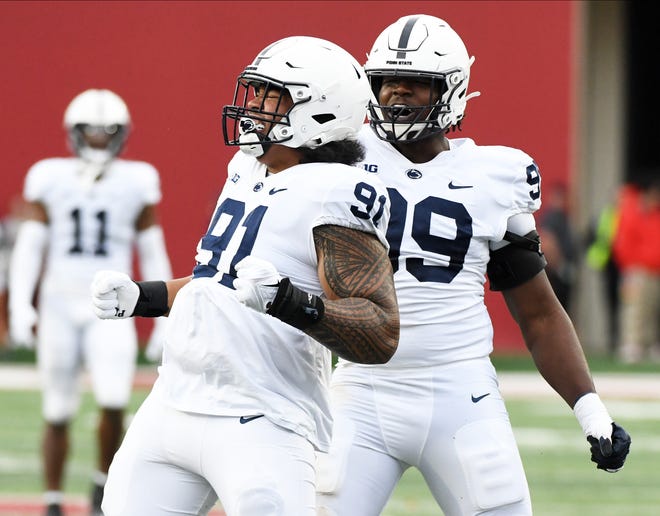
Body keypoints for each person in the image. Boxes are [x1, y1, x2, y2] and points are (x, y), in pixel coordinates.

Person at [316, 15, 631, 516]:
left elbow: (539, 313)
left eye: (415, 83)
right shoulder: (338, 160)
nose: (397, 93)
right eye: (386, 81)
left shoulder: (495, 176)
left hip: (460, 391)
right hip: (362, 388)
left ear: (453, 90)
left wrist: (590, 410)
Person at [89, 36, 399, 516]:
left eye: (271, 95)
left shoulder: (337, 190)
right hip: (172, 401)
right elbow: (218, 282)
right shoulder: (246, 167)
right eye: (254, 92)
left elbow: (379, 332)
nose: (252, 106)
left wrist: (290, 302)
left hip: (261, 417)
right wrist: (142, 296)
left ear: (319, 112)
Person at [8, 89, 172, 516]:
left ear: (122, 135)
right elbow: (30, 246)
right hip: (59, 300)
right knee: (57, 406)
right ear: (74, 133)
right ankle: (52, 499)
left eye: (108, 132)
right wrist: (21, 303)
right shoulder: (49, 176)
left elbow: (152, 249)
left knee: (115, 398)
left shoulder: (138, 179)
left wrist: (162, 316)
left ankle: (102, 486)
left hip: (110, 302)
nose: (99, 139)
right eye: (92, 132)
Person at [611, 173, 660, 363]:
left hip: (655, 270)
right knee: (634, 309)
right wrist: (630, 265)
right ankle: (631, 345)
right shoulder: (631, 211)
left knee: (651, 309)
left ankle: (649, 345)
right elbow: (622, 242)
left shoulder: (656, 215)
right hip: (636, 270)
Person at [538, 183, 578, 312]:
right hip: (556, 276)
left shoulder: (563, 217)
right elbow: (547, 243)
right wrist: (561, 267)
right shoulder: (553, 217)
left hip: (561, 274)